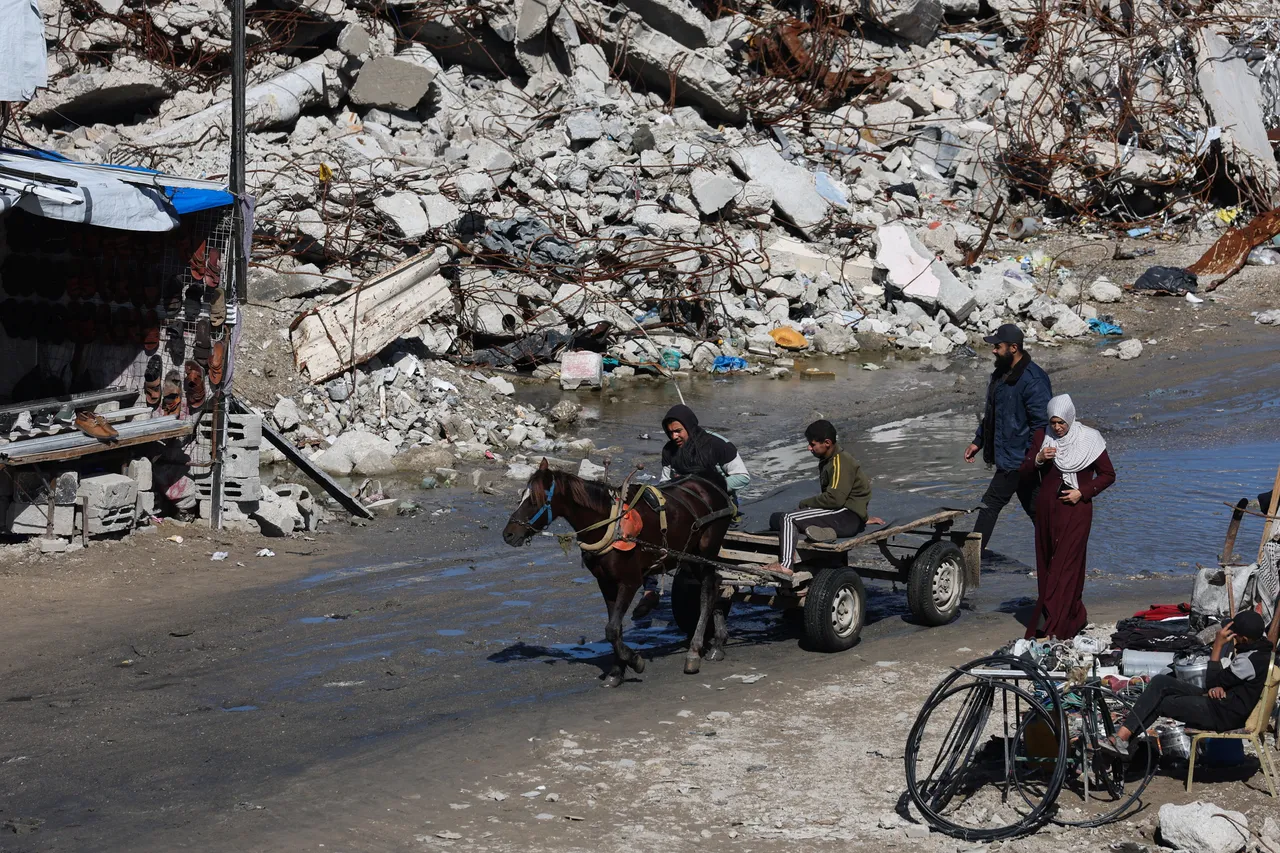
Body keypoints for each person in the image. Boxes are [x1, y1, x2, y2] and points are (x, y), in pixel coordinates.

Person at [631, 404, 751, 620]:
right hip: (684, 513)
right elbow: (665, 483)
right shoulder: (669, 451)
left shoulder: (717, 445)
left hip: (719, 511)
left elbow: (742, 476)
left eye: (678, 431)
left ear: (689, 426)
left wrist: (708, 487)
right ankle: (649, 590)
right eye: (670, 432)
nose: (674, 436)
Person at [1101, 610, 1274, 757]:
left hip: (1223, 714)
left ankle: (1122, 742)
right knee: (1161, 682)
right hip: (1224, 702)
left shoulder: (1248, 660)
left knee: (1162, 703)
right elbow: (1226, 682)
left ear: (1243, 638)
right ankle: (1123, 739)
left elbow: (1211, 682)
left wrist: (1217, 647)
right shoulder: (1261, 650)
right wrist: (1222, 685)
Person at [1021, 394, 1115, 640]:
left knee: (1065, 566)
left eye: (1061, 422)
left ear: (1071, 418)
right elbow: (1025, 470)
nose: (1057, 428)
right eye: (1053, 422)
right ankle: (1073, 616)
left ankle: (1052, 626)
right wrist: (1039, 459)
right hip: (1046, 513)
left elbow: (1107, 475)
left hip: (1076, 512)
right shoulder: (1043, 437)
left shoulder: (1089, 439)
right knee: (1048, 565)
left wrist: (1082, 493)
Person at [964, 323, 1053, 554]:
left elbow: (1041, 425)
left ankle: (970, 559)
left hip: (1019, 459)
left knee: (990, 504)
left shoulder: (1033, 380)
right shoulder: (1000, 375)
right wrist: (978, 441)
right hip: (1009, 457)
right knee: (1036, 510)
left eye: (998, 346)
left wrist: (1031, 460)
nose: (993, 350)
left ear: (1014, 348)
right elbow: (993, 415)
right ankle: (1057, 553)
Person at [761, 420, 872, 577]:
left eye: (812, 444)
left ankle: (786, 565)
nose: (809, 448)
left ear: (827, 443)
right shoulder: (829, 461)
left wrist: (805, 504)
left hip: (845, 517)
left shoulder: (841, 462)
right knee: (776, 519)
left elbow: (835, 499)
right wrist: (865, 516)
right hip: (844, 515)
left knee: (788, 518)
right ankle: (824, 532)